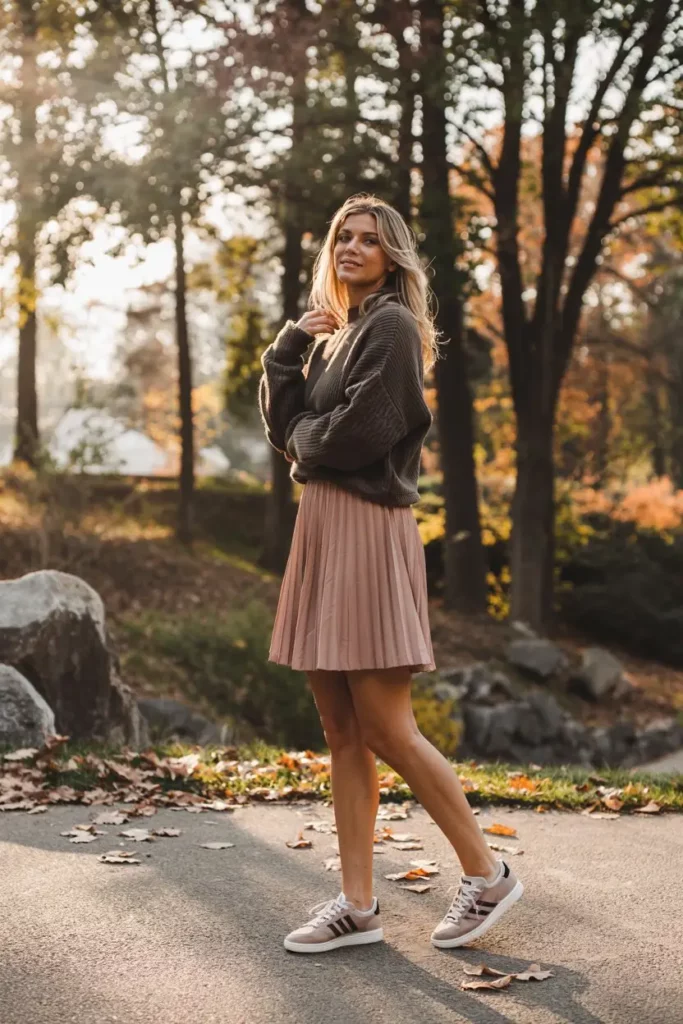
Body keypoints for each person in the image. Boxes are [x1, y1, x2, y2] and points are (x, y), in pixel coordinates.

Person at [258, 194, 523, 955]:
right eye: (344, 235)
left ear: (393, 256)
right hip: (322, 530)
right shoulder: (336, 336)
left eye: (369, 239)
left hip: (368, 530)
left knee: (385, 725)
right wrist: (284, 352)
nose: (351, 247)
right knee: (341, 728)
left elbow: (353, 436)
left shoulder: (393, 328)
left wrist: (308, 438)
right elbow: (292, 436)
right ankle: (356, 903)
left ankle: (488, 873)